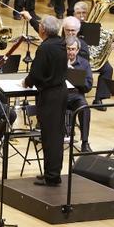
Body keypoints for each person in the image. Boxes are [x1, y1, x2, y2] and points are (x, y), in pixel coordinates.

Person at [24, 16, 68, 186]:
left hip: (50, 95)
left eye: (40, 26)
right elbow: (47, 30)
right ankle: (52, 172)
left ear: (43, 30)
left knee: (51, 137)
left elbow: (36, 73)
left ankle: (52, 176)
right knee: (54, 135)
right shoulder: (60, 42)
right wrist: (31, 20)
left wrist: (27, 82)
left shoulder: (45, 48)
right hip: (60, 92)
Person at [64, 38, 93, 152]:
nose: (71, 52)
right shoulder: (58, 62)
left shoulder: (84, 64)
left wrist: (74, 77)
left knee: (85, 109)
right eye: (68, 49)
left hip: (76, 96)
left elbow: (88, 86)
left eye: (73, 49)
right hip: (61, 95)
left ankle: (85, 142)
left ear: (77, 50)